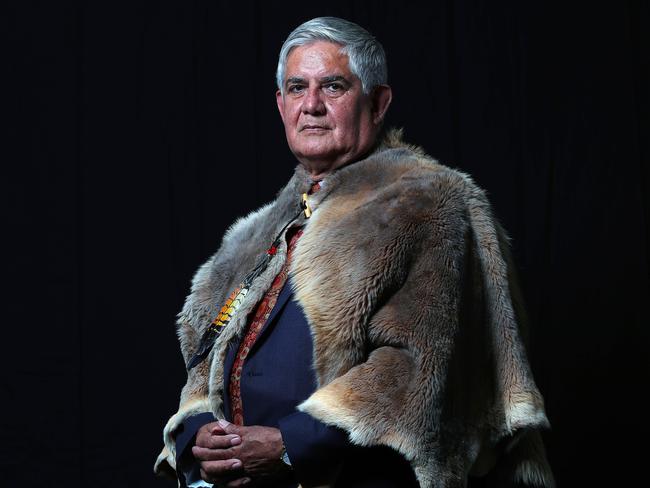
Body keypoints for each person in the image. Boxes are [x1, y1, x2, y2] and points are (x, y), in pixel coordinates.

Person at [154, 16, 554, 488]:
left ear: (378, 102)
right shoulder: (257, 231)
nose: (312, 106)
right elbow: (204, 358)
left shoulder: (426, 201)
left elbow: (418, 366)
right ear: (280, 105)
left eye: (334, 87)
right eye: (297, 88)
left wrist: (289, 445)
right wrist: (198, 435)